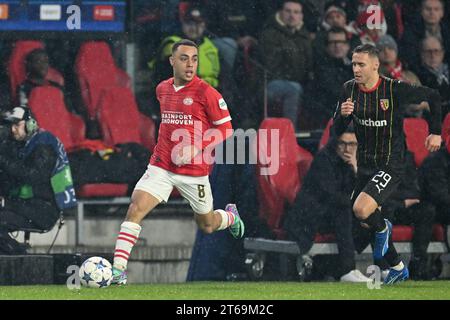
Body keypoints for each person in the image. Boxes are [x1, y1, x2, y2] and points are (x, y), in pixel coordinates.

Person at [111, 39, 245, 285]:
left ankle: (229, 217)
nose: (190, 64)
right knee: (135, 209)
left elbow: (226, 130)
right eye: (184, 58)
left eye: (194, 59)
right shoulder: (162, 89)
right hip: (161, 166)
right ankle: (118, 272)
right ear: (172, 61)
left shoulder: (207, 93)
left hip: (194, 172)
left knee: (206, 225)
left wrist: (196, 146)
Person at [333, 43, 442, 284]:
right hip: (365, 166)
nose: (356, 69)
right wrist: (342, 116)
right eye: (353, 64)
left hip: (391, 163)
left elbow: (433, 96)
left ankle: (384, 230)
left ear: (375, 65)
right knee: (364, 220)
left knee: (362, 210)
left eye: (361, 64)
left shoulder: (393, 89)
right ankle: (397, 266)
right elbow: (336, 131)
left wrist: (435, 132)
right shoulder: (348, 90)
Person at [283, 125, 370, 282]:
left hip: (334, 215)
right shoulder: (324, 160)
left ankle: (380, 268)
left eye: (352, 145)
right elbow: (331, 197)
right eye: (342, 144)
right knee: (344, 212)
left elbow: (365, 194)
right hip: (311, 217)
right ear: (335, 143)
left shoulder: (352, 163)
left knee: (370, 212)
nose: (347, 149)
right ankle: (347, 269)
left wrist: (357, 170)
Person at [0, 106, 76, 234]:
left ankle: (15, 252)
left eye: (17, 125)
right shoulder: (21, 144)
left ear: (30, 125)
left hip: (44, 210)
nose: (13, 130)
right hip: (27, 205)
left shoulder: (44, 145)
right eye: (11, 126)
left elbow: (31, 176)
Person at [259, 0, 313, 131]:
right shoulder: (269, 33)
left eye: (296, 12)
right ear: (281, 13)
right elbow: (273, 66)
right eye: (288, 11)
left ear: (301, 16)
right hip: (270, 84)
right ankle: (289, 133)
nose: (292, 15)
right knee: (293, 89)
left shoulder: (304, 35)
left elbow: (309, 65)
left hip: (297, 82)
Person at [148, 6, 220, 90]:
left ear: (204, 25)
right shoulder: (172, 43)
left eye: (198, 23)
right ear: (182, 24)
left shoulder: (210, 46)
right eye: (189, 23)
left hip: (209, 94)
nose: (194, 28)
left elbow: (219, 77)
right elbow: (171, 76)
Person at [305, 27, 353, 127]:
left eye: (341, 42)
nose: (337, 46)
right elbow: (333, 92)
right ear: (327, 47)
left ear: (347, 46)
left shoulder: (355, 66)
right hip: (328, 118)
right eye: (333, 42)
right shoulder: (320, 67)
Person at [400, 0, 450, 73]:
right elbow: (411, 58)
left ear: (442, 13)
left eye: (436, 9)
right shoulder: (410, 33)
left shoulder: (447, 32)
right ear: (421, 12)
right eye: (428, 9)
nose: (432, 13)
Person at [416, 36, 450, 119]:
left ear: (442, 53)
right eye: (428, 52)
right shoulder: (416, 75)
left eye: (436, 51)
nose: (433, 55)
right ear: (421, 54)